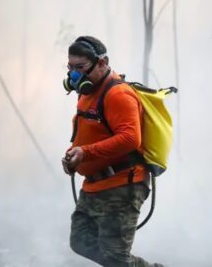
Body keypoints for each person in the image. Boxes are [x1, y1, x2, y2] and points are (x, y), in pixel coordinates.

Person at [62, 36, 164, 267]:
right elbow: (90, 134)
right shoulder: (87, 92)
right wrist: (73, 156)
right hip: (94, 185)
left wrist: (85, 153)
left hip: (122, 186)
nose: (74, 76)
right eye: (70, 68)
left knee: (116, 258)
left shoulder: (119, 95)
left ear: (102, 62)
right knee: (81, 242)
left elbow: (130, 139)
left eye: (80, 68)